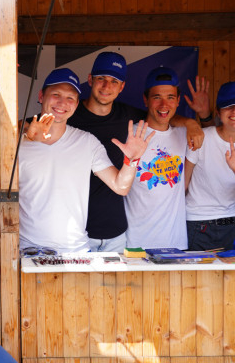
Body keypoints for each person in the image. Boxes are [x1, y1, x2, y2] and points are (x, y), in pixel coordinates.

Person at [66, 51, 208, 252]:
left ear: (122, 86)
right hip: (89, 232)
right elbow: (34, 125)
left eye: (114, 81)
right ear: (90, 80)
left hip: (133, 236)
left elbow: (162, 115)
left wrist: (193, 122)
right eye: (101, 79)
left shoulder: (136, 122)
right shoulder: (71, 117)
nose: (107, 86)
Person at [20, 68, 153, 254]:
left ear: (76, 104)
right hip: (29, 250)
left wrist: (132, 160)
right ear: (41, 96)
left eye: (70, 98)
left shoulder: (87, 142)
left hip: (75, 251)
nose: (62, 103)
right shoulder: (17, 142)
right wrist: (21, 133)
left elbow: (120, 186)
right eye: (56, 94)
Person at [184, 82, 235, 250]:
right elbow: (182, 184)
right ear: (218, 111)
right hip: (197, 223)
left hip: (233, 224)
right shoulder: (201, 137)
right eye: (228, 106)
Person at [124, 66, 191, 249]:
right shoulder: (131, 135)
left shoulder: (185, 135)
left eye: (170, 97)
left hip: (175, 244)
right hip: (136, 244)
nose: (164, 105)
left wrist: (192, 123)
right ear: (145, 100)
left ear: (178, 100)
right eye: (156, 97)